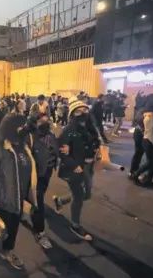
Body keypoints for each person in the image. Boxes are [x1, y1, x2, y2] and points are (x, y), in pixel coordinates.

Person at [0, 113, 37, 270]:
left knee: (13, 228)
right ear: (11, 128)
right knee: (1, 230)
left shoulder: (23, 144)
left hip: (20, 197)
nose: (24, 128)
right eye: (21, 126)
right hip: (2, 199)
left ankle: (7, 252)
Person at [52, 97, 100, 241]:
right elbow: (61, 151)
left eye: (84, 109)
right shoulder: (69, 130)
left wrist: (98, 151)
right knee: (79, 196)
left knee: (87, 195)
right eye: (78, 111)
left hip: (89, 166)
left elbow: (95, 142)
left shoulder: (91, 127)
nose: (82, 112)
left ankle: (60, 201)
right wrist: (74, 165)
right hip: (75, 168)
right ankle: (75, 224)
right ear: (72, 114)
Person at [27, 112, 60, 249]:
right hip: (33, 175)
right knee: (38, 202)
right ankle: (39, 232)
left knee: (37, 198)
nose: (46, 122)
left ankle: (29, 209)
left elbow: (56, 150)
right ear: (35, 123)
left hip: (47, 172)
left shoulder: (51, 135)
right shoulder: (30, 137)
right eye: (41, 121)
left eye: (47, 120)